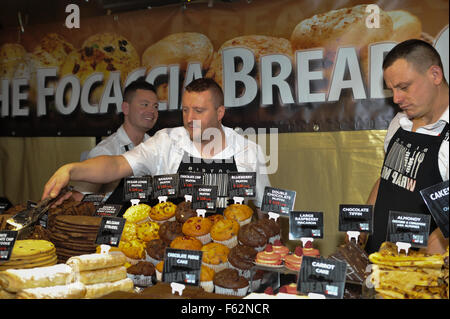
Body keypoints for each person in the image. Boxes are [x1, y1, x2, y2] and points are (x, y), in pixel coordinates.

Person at [42, 78, 271, 214]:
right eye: (185, 110)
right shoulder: (166, 141)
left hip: (227, 262)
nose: (189, 118)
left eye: (199, 111)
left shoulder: (248, 151)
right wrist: (71, 169)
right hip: (173, 260)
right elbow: (115, 165)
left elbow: (264, 210)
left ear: (220, 113)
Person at [364, 39, 449, 255]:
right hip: (375, 263)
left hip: (417, 277)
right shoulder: (399, 122)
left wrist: (416, 271)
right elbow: (386, 178)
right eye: (392, 89)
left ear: (435, 75)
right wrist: (363, 227)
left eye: (403, 87)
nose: (396, 98)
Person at [71, 80, 159, 201]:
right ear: (125, 108)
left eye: (155, 106)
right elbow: (79, 198)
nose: (152, 111)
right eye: (144, 105)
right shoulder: (104, 151)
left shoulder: (157, 147)